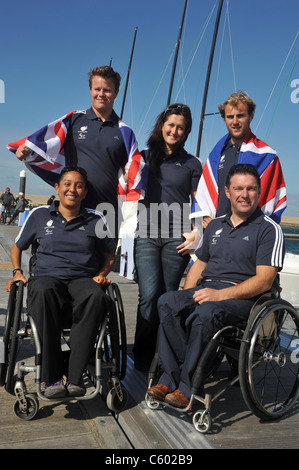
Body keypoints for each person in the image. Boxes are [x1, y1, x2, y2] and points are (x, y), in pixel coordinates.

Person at [147, 163, 285, 408]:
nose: (244, 194)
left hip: (244, 298)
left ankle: (188, 387)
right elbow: (200, 264)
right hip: (209, 290)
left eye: (251, 189)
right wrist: (187, 295)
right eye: (238, 188)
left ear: (259, 191)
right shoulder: (215, 226)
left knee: (205, 313)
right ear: (228, 192)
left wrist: (219, 295)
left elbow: (264, 281)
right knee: (167, 302)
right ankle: (169, 378)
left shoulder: (269, 229)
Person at [6, 166, 116, 399]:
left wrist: (104, 272)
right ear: (57, 188)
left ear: (85, 192)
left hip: (82, 278)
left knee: (97, 295)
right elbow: (17, 246)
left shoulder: (96, 219)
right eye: (67, 184)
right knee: (44, 290)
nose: (72, 190)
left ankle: (75, 377)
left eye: (78, 186)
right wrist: (17, 272)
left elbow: (109, 255)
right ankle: (51, 377)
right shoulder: (39, 216)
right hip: (47, 277)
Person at [8, 65, 147, 238]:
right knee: (71, 258)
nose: (101, 94)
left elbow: (133, 169)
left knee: (106, 262)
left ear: (116, 92)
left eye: (107, 90)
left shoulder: (125, 132)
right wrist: (27, 151)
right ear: (90, 90)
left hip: (108, 210)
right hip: (73, 208)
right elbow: (45, 143)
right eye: (97, 89)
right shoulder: (73, 120)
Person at [132, 104, 203, 371]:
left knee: (169, 296)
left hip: (178, 238)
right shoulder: (143, 157)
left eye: (180, 127)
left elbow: (201, 204)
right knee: (149, 296)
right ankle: (141, 354)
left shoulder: (192, 164)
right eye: (170, 125)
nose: (174, 130)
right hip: (147, 235)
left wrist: (197, 234)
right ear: (162, 125)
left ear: (186, 132)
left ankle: (164, 356)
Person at [189, 91, 286, 249]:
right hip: (217, 234)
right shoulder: (216, 154)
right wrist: (203, 215)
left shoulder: (268, 157)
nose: (235, 121)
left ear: (251, 116)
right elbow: (206, 191)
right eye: (230, 117)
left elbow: (274, 200)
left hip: (249, 237)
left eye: (240, 116)